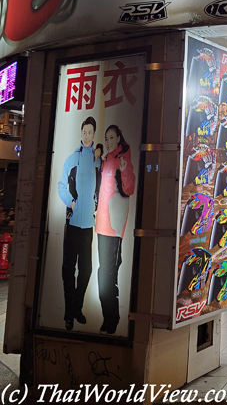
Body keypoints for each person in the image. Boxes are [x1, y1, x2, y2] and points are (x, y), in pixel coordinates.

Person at [58, 116, 101, 331]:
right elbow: (60, 186)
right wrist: (70, 202)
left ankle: (77, 307)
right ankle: (69, 313)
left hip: (88, 226)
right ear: (81, 133)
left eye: (90, 132)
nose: (86, 135)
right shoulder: (71, 159)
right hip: (72, 223)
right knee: (68, 270)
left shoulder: (97, 161)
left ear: (94, 134)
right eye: (84, 132)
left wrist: (98, 206)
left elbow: (102, 187)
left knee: (86, 270)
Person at [95, 125, 136, 334]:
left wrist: (125, 169)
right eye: (106, 137)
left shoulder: (122, 158)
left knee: (107, 274)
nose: (109, 141)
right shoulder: (106, 159)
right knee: (104, 272)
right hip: (101, 226)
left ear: (119, 138)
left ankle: (111, 319)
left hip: (113, 227)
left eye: (112, 137)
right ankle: (110, 317)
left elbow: (129, 189)